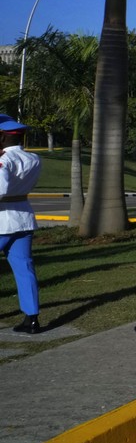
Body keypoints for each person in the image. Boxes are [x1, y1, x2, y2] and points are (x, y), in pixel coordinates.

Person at [0, 117, 44, 334]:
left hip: (3, 220)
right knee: (24, 269)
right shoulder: (34, 158)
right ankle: (32, 318)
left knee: (24, 267)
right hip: (23, 217)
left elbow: (1, 188)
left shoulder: (3, 160)